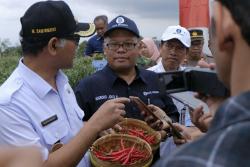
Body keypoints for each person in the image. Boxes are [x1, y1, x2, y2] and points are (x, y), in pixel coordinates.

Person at [0, 1, 129, 167]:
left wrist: (92, 126)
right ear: (54, 45)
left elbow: (69, 130)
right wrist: (94, 125)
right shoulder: (9, 105)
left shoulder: (61, 81)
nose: (78, 45)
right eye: (75, 38)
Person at [154, 0, 250, 166]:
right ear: (161, 47)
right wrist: (218, 124)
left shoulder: (187, 161)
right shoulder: (146, 76)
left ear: (223, 25)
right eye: (170, 46)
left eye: (180, 48)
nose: (173, 52)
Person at [75, 15, 179, 123]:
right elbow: (76, 128)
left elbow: (173, 116)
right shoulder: (87, 87)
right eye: (113, 44)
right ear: (104, 49)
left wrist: (165, 124)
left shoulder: (156, 80)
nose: (120, 50)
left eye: (128, 44)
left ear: (139, 47)